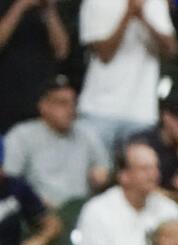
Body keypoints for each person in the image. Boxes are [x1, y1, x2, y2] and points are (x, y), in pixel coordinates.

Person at [77, 0, 178, 152]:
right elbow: (104, 54)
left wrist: (143, 16)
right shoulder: (95, 0)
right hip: (99, 108)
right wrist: (128, 15)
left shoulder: (156, 2)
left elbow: (171, 50)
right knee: (97, 178)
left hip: (141, 110)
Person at [3, 76, 110, 208]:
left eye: (73, 103)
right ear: (43, 106)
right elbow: (9, 179)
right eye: (62, 103)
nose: (70, 109)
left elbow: (104, 169)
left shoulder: (86, 133)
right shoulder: (21, 135)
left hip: (79, 210)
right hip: (39, 213)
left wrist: (101, 177)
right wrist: (35, 206)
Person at [74, 142, 178, 245]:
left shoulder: (169, 209)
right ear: (124, 176)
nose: (154, 175)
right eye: (145, 169)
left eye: (155, 168)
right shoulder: (97, 210)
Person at [0, 0, 69, 134]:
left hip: (41, 100)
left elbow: (62, 50)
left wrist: (49, 11)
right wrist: (22, 3)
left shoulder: (52, 4)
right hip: (6, 97)